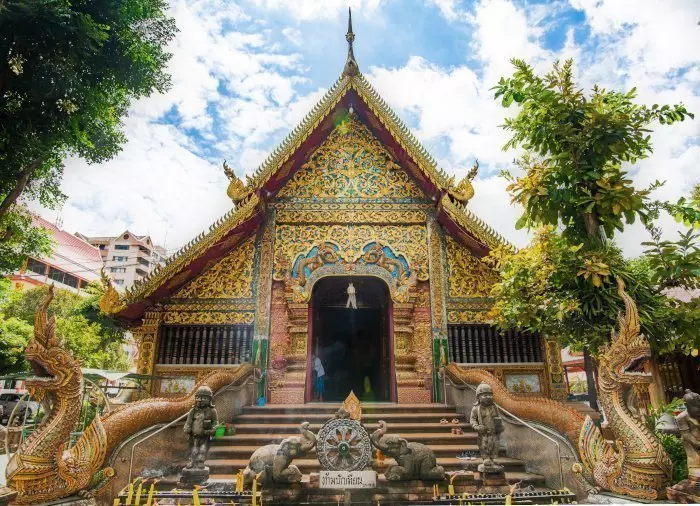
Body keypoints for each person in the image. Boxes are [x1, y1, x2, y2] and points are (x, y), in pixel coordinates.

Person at [469, 382, 504, 473]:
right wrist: (476, 426)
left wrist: (499, 425)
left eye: (489, 395)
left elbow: (499, 417)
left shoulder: (495, 408)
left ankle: (494, 458)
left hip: (494, 431)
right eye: (484, 395)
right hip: (483, 432)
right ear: (478, 397)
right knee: (483, 446)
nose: (488, 397)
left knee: (495, 445)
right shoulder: (476, 409)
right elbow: (472, 419)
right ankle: (486, 458)